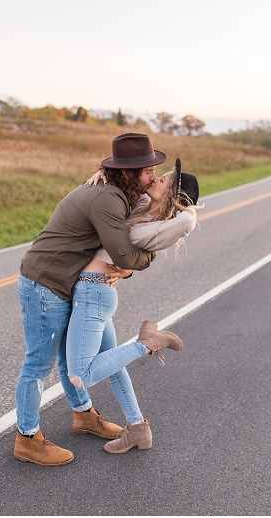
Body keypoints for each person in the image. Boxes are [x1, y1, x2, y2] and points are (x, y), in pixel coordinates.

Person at [13, 132, 162, 466]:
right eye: (148, 170)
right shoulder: (108, 198)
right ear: (128, 173)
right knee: (38, 364)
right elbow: (124, 255)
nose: (153, 175)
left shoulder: (109, 190)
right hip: (45, 285)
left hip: (66, 284)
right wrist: (141, 263)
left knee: (71, 361)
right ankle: (27, 438)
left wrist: (127, 268)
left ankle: (83, 416)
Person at [66, 158, 203, 454]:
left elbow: (181, 225)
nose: (155, 180)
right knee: (113, 367)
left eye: (164, 180)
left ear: (173, 196)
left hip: (93, 291)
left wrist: (189, 212)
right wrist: (104, 173)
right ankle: (138, 428)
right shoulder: (142, 205)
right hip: (96, 291)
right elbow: (121, 189)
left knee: (81, 375)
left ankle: (147, 344)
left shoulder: (157, 227)